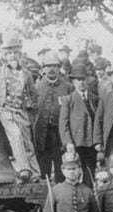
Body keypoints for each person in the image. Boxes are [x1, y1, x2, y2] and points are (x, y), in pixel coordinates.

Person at [0, 31, 41, 182]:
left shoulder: (26, 73)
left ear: (20, 54)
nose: (12, 56)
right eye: (9, 53)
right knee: (16, 136)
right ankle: (23, 169)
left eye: (15, 52)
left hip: (21, 111)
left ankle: (35, 174)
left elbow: (33, 93)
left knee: (27, 143)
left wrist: (30, 104)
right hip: (5, 110)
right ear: (4, 55)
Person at [34, 50, 74, 181]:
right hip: (42, 135)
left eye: (55, 66)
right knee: (43, 171)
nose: (51, 69)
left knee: (61, 169)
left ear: (59, 68)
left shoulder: (68, 87)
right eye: (48, 66)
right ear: (43, 68)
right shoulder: (36, 87)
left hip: (60, 136)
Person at [59, 64, 99, 187]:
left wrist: (98, 141)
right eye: (78, 80)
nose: (81, 82)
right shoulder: (68, 100)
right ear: (73, 82)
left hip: (92, 143)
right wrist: (68, 142)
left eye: (83, 79)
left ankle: (89, 196)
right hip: (77, 143)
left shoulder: (95, 99)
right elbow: (63, 123)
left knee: (90, 173)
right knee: (75, 172)